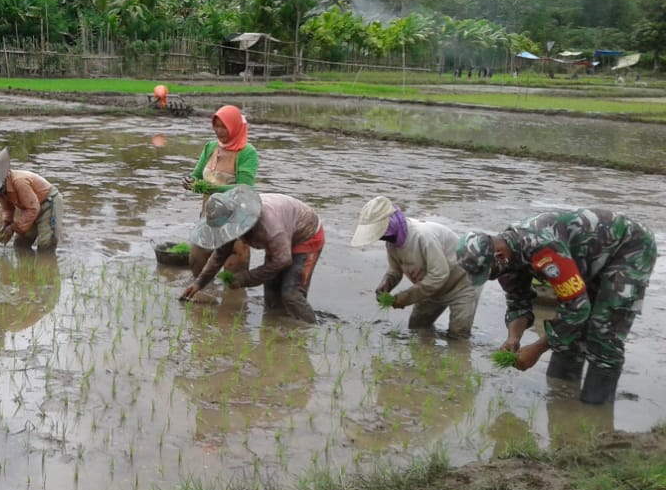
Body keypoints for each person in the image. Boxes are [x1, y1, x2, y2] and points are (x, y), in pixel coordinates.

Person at [456, 209, 657, 404]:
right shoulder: (505, 263)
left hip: (628, 248)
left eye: (489, 272)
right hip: (584, 260)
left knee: (604, 336)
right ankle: (562, 403)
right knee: (568, 340)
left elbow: (577, 309)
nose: (491, 278)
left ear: (499, 256)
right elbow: (518, 303)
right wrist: (513, 337)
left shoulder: (542, 249)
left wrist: (536, 349)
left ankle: (597, 415)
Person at [179, 186, 324, 323]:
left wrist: (245, 279)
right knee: (272, 296)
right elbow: (220, 255)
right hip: (282, 236)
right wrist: (199, 283)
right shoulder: (231, 224)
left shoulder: (269, 227)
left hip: (306, 235)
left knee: (291, 294)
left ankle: (310, 330)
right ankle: (277, 331)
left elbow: (282, 260)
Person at [350, 195, 481, 339]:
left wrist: (405, 297)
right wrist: (386, 285)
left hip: (461, 285)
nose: (379, 238)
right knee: (417, 328)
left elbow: (439, 274)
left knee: (458, 336)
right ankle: (427, 358)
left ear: (389, 225)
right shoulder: (392, 243)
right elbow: (395, 270)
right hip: (430, 289)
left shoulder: (422, 236)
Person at [183, 105, 259, 275]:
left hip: (237, 223)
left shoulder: (247, 153)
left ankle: (232, 301)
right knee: (197, 262)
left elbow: (245, 189)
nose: (219, 130)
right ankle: (200, 299)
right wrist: (190, 181)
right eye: (216, 126)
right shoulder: (210, 147)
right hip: (209, 218)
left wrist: (214, 189)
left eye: (223, 126)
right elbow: (196, 175)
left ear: (234, 126)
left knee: (233, 280)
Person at [0, 148, 62, 251]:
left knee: (46, 245)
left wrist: (13, 228)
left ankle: (46, 265)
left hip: (48, 203)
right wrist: (5, 224)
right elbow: (8, 209)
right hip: (31, 208)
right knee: (20, 244)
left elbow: (33, 209)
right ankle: (24, 267)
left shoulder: (19, 181)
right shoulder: (1, 189)